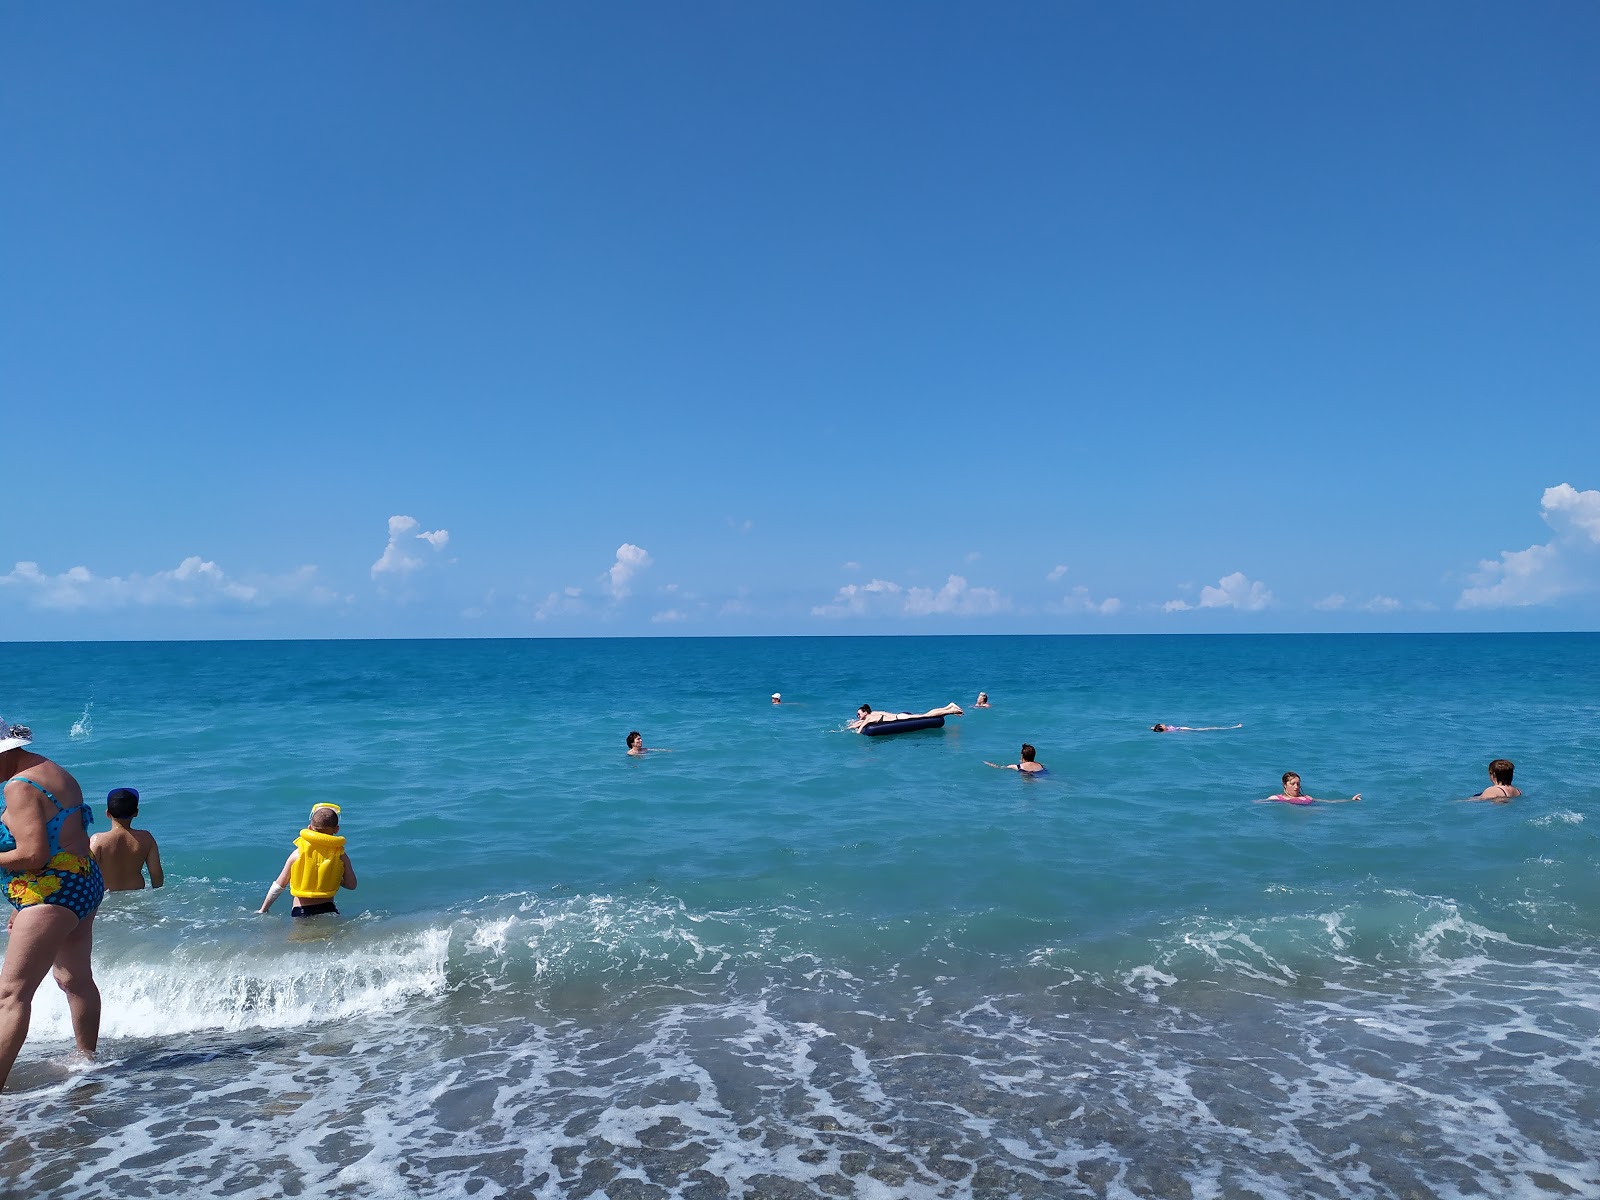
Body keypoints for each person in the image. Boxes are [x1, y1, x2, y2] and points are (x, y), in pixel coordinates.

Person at [0, 718, 105, 1090]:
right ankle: (86, 1060)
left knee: (11, 995)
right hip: (81, 882)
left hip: (51, 894)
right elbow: (62, 836)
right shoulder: (48, 769)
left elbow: (32, 854)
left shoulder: (18, 787)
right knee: (73, 978)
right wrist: (19, 903)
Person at [258, 803, 357, 917]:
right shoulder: (340, 855)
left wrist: (263, 910)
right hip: (328, 910)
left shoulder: (298, 854)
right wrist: (335, 876)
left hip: (301, 911)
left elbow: (278, 886)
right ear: (336, 829)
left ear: (309, 828)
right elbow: (351, 885)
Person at [89, 787, 164, 892]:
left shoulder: (98, 840)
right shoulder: (146, 839)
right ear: (136, 813)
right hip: (138, 897)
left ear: (107, 813)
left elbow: (86, 873)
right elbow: (156, 874)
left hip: (107, 898)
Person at [1259, 772, 1360, 806]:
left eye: (1298, 784)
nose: (1296, 787)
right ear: (1285, 785)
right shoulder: (1277, 798)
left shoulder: (1307, 798)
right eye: (1293, 784)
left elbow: (1329, 802)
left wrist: (1350, 800)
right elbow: (1258, 803)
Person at [850, 702, 963, 732]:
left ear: (865, 712)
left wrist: (856, 730)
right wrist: (852, 725)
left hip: (901, 718)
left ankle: (951, 711)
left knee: (926, 715)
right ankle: (948, 707)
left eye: (859, 714)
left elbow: (862, 726)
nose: (858, 716)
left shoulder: (870, 717)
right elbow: (860, 723)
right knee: (926, 714)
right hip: (900, 716)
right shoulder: (873, 713)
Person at [1152, 723, 1243, 732]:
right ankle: (1234, 727)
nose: (1163, 724)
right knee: (1210, 728)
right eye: (1161, 724)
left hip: (1182, 729)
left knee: (1209, 728)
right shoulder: (1167, 730)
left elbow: (1154, 729)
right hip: (1183, 729)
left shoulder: (1164, 729)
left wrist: (1153, 728)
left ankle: (1234, 727)